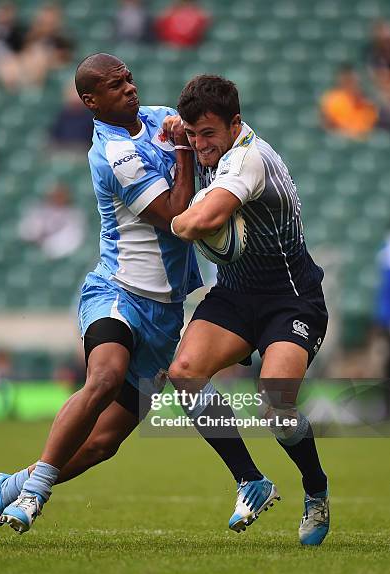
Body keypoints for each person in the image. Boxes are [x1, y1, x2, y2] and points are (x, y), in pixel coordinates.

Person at [0, 53, 203, 545]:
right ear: (91, 101)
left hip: (165, 311)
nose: (129, 88)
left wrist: (194, 134)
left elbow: (203, 137)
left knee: (102, 443)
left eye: (130, 78)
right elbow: (177, 214)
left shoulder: (156, 118)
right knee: (105, 376)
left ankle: (9, 485)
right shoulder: (112, 154)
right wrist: (183, 150)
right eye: (116, 86)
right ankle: (36, 493)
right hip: (118, 292)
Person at [168, 75, 330, 545]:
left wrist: (179, 219)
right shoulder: (204, 139)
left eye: (208, 135)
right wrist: (179, 133)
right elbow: (177, 125)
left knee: (276, 403)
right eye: (193, 134)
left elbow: (203, 220)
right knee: (184, 372)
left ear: (235, 124)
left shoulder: (249, 159)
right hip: (236, 295)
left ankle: (316, 489)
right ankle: (250, 480)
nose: (200, 145)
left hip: (291, 297)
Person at [18, 183, 86, 259]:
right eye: (54, 195)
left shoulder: (74, 215)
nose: (56, 198)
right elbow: (25, 232)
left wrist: (45, 243)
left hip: (58, 255)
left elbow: (71, 241)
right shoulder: (40, 209)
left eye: (60, 196)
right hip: (36, 248)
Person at [320, 65, 378, 139]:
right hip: (340, 141)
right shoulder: (332, 99)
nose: (352, 83)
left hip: (363, 143)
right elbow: (326, 127)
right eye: (348, 79)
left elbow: (372, 128)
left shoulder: (368, 101)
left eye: (354, 80)